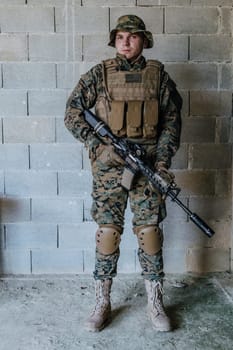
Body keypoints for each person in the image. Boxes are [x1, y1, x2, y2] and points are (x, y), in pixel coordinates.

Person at [64, 14, 182, 332]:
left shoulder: (159, 77)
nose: (125, 42)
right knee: (107, 234)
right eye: (120, 37)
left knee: (150, 234)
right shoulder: (99, 75)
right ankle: (102, 301)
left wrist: (161, 163)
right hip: (109, 170)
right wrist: (99, 147)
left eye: (132, 36)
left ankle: (155, 301)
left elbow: (171, 123)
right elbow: (73, 112)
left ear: (144, 40)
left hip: (147, 167)